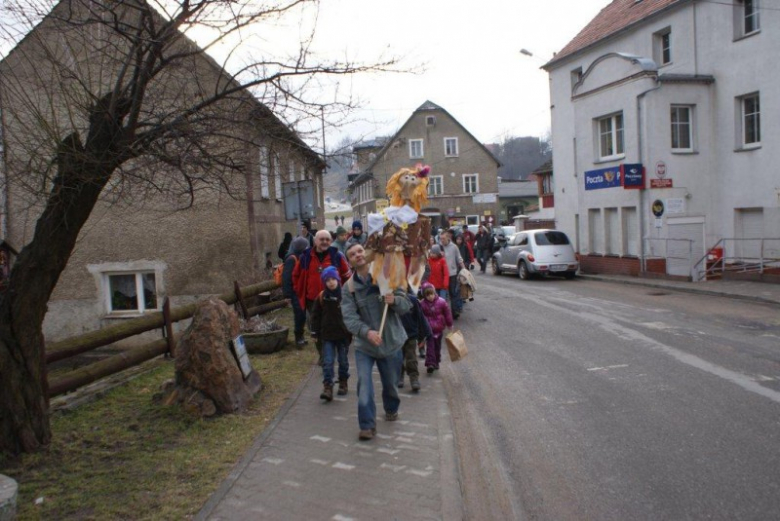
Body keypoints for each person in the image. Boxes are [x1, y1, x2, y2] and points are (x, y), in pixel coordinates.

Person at [341, 243, 411, 441]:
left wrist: (394, 300)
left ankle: (391, 408)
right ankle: (367, 425)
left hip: (390, 343)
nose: (358, 255)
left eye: (360, 251)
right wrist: (366, 332)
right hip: (365, 346)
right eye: (353, 254)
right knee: (364, 384)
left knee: (390, 385)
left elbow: (406, 305)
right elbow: (349, 318)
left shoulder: (385, 276)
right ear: (350, 262)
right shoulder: (349, 289)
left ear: (367, 253)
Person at [293, 230, 352, 362]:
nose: (325, 242)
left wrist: (347, 294)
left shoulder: (337, 255)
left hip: (336, 299)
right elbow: (296, 275)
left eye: (327, 239)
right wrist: (299, 290)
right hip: (312, 300)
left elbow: (348, 276)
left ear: (331, 241)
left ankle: (340, 350)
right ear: (315, 241)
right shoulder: (305, 256)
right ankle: (323, 356)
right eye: (322, 239)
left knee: (339, 324)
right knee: (316, 327)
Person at [310, 266, 351, 401]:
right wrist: (314, 332)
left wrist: (351, 331)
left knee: (343, 361)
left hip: (343, 335)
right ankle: (328, 386)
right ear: (324, 282)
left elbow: (352, 314)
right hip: (327, 335)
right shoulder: (322, 297)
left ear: (338, 280)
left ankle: (343, 382)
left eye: (333, 279)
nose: (331, 282)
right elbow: (315, 316)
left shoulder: (345, 295)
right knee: (327, 362)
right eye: (328, 280)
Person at [397, 288, 431, 391]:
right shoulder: (391, 302)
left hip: (410, 335)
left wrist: (425, 335)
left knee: (411, 358)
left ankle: (414, 379)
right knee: (398, 358)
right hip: (396, 336)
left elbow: (420, 318)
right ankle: (399, 377)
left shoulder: (412, 300)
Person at [419, 282, 453, 374]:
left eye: (432, 294)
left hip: (439, 329)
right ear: (424, 295)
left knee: (437, 347)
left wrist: (449, 324)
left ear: (434, 293)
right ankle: (430, 363)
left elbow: (447, 314)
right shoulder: (422, 304)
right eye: (428, 295)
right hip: (429, 330)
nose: (430, 296)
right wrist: (421, 328)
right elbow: (420, 317)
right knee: (430, 347)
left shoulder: (441, 302)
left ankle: (436, 361)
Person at [282, 237, 310, 346]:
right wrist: (287, 295)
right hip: (295, 292)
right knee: (299, 314)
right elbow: (286, 278)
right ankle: (298, 338)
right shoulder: (292, 259)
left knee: (302, 315)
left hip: (301, 290)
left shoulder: (302, 257)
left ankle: (301, 336)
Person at [439, 231, 465, 319]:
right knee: (442, 295)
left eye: (443, 238)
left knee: (453, 293)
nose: (441, 240)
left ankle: (455, 312)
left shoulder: (454, 247)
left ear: (448, 238)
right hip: (441, 275)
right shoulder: (439, 247)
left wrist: (464, 270)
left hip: (452, 274)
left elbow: (459, 258)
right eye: (440, 238)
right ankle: (442, 315)